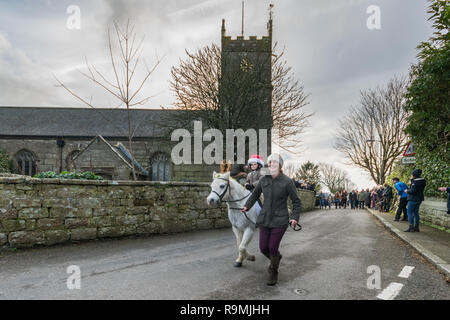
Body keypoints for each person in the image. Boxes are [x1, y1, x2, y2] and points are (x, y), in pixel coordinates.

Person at [242, 153, 301, 286]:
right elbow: (255, 194)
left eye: (274, 162)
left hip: (280, 220)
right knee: (263, 248)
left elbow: (296, 201)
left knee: (273, 247)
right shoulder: (264, 179)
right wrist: (247, 205)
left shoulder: (287, 181)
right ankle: (276, 259)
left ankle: (273, 271)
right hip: (265, 218)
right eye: (269, 163)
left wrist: (294, 218)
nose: (271, 164)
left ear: (280, 165)